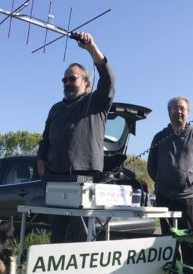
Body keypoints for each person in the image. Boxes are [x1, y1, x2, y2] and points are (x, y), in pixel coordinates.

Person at [37, 32, 115, 243]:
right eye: (65, 79)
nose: (68, 82)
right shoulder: (55, 109)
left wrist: (92, 48)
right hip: (55, 177)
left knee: (81, 236)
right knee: (57, 236)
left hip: (85, 178)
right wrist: (40, 159)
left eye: (73, 79)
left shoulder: (96, 102)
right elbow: (45, 138)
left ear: (87, 83)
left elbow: (108, 78)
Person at [147, 96, 193, 268]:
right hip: (164, 197)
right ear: (169, 112)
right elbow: (151, 167)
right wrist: (163, 182)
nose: (178, 111)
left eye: (182, 108)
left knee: (189, 239)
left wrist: (192, 184)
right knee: (169, 239)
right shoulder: (159, 137)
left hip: (187, 198)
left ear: (188, 112)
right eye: (174, 108)